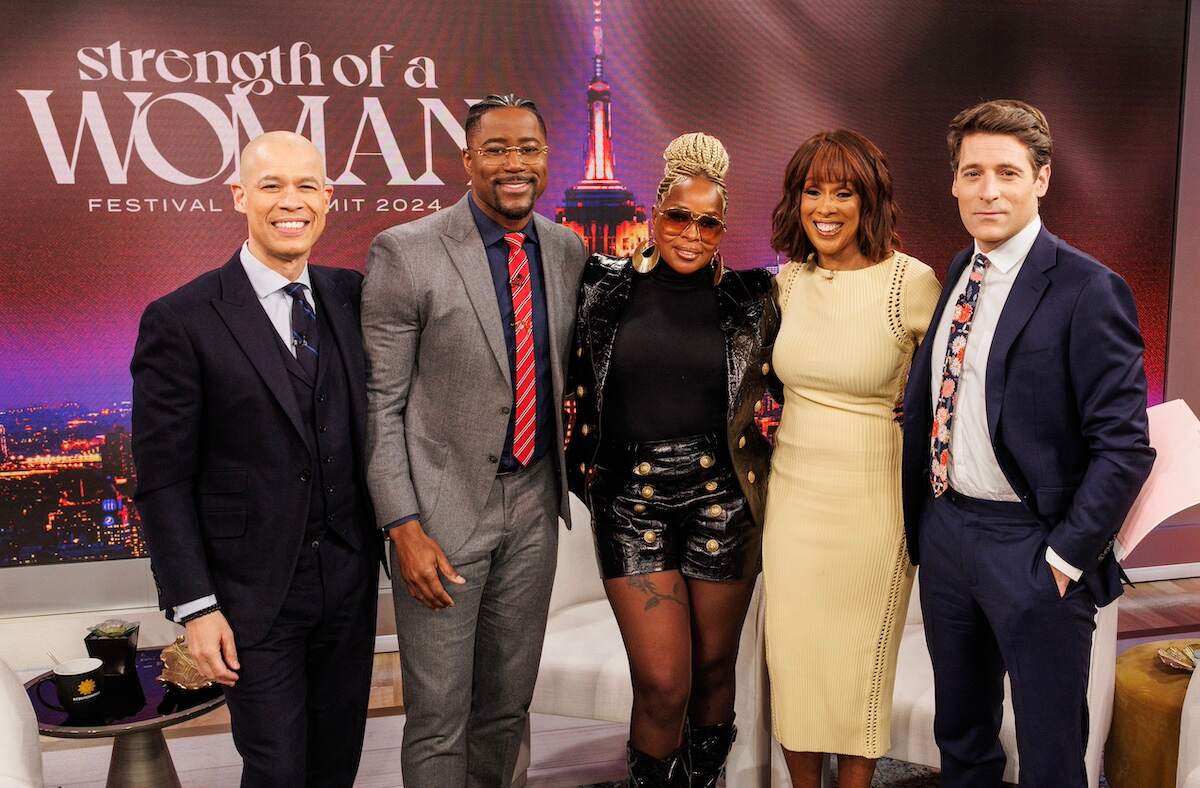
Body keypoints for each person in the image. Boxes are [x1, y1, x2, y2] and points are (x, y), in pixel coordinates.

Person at [900, 99, 1155, 787]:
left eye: (1008, 173)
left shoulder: (1088, 288)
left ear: (1041, 179)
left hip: (1033, 546)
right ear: (953, 182)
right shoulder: (961, 268)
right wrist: (929, 527)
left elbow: (1125, 445)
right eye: (973, 173)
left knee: (1049, 754)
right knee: (961, 737)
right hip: (948, 531)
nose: (989, 191)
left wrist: (1066, 556)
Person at [131, 131, 379, 787]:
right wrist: (195, 607)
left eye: (306, 186)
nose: (290, 201)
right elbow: (162, 481)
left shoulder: (354, 296)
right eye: (271, 185)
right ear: (240, 196)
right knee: (277, 772)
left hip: (351, 585)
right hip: (251, 597)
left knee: (336, 767)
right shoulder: (181, 319)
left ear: (328, 199)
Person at [361, 93, 587, 787]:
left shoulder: (566, 248)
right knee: (438, 719)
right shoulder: (407, 251)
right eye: (496, 150)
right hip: (441, 516)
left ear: (546, 158)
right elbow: (381, 406)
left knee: (506, 709)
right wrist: (403, 528)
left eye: (528, 149)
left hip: (534, 507)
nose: (514, 164)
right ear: (467, 160)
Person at [564, 132, 779, 788]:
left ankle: (705, 777)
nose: (692, 233)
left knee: (714, 670)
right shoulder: (598, 287)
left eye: (708, 223)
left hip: (723, 501)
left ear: (722, 230)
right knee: (662, 681)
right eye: (679, 216)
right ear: (654, 216)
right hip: (630, 502)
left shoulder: (753, 298)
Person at [762, 129, 941, 788]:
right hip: (792, 502)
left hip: (873, 506)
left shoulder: (910, 282)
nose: (827, 207)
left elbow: (961, 381)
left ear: (871, 201)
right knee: (794, 663)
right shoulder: (788, 283)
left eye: (844, 192)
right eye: (814, 191)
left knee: (860, 665)